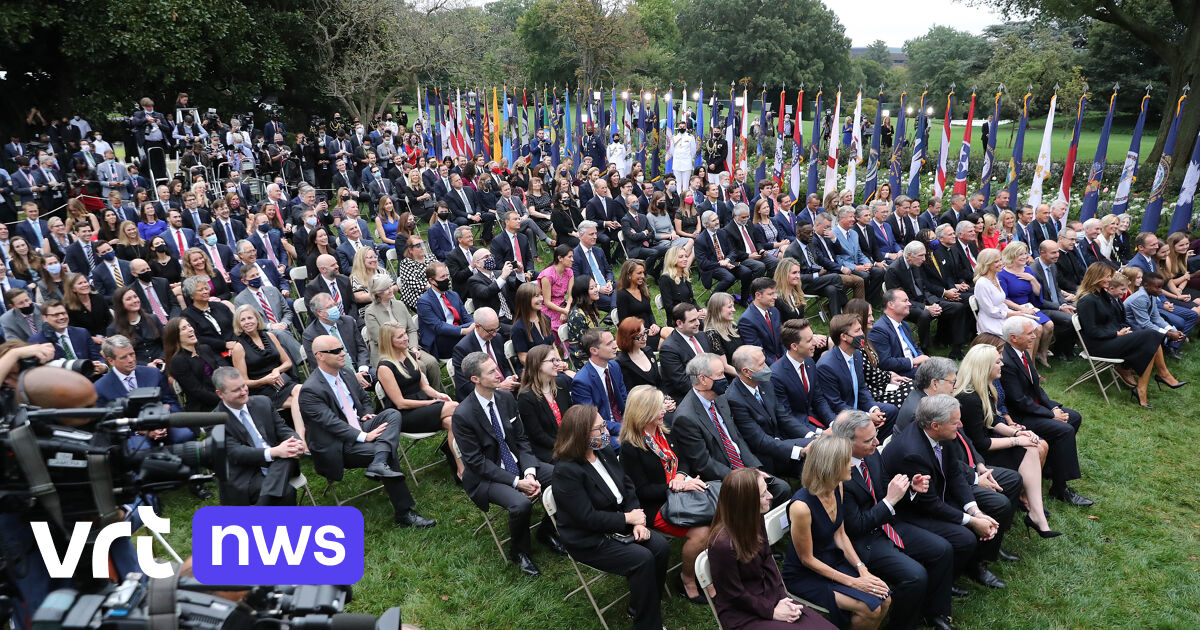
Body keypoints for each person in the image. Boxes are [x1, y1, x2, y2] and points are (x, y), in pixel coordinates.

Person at [831, 411, 958, 630]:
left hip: (886, 525)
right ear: (846, 443)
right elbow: (856, 526)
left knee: (942, 549)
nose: (877, 442)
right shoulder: (837, 472)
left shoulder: (870, 454)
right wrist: (889, 501)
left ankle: (934, 612)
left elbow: (883, 486)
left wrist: (909, 489)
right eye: (869, 440)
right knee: (915, 576)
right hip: (863, 542)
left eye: (876, 435)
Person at [552, 404, 670, 630]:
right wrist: (628, 519)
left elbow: (627, 486)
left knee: (660, 548)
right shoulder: (566, 471)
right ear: (581, 434)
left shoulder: (603, 451)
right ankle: (648, 624)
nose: (606, 432)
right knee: (641, 559)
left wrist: (637, 519)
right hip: (590, 538)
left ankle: (643, 604)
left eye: (604, 425)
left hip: (620, 520)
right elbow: (587, 518)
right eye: (599, 428)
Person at [301, 334, 436, 528]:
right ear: (320, 356)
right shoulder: (310, 390)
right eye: (336, 351)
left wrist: (367, 414)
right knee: (387, 452)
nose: (343, 353)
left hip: (358, 424)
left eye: (342, 348)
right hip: (337, 444)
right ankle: (404, 513)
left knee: (391, 413)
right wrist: (365, 436)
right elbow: (331, 424)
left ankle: (379, 462)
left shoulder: (346, 373)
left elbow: (364, 399)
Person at [881, 395, 1006, 589]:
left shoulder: (942, 435)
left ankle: (971, 565)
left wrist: (976, 512)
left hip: (936, 497)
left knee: (993, 509)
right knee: (964, 537)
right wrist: (973, 521)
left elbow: (954, 473)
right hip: (910, 513)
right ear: (935, 425)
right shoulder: (913, 453)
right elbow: (929, 504)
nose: (961, 425)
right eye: (955, 422)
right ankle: (944, 584)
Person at [452, 351, 559, 576]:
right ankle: (520, 551)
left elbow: (521, 439)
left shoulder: (506, 398)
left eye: (496, 368)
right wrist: (516, 482)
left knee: (564, 476)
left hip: (519, 464)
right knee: (521, 504)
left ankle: (547, 531)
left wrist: (529, 473)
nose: (499, 374)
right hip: (487, 476)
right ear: (475, 380)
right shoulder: (462, 415)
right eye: (491, 372)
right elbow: (476, 462)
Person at [707, 467, 837, 630]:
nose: (771, 496)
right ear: (746, 503)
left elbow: (768, 560)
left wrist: (782, 598)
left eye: (766, 490)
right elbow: (733, 594)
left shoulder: (755, 518)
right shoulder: (722, 546)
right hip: (743, 615)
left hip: (770, 596)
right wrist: (771, 611)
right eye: (763, 495)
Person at [783, 436, 891, 630]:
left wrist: (861, 569)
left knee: (885, 599)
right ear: (830, 466)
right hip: (806, 574)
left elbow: (840, 535)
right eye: (846, 460)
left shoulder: (836, 486)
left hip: (832, 560)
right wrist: (854, 583)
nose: (851, 464)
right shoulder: (801, 507)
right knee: (870, 608)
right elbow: (806, 559)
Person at [616, 385, 709, 604]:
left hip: (678, 492)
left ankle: (708, 571)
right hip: (654, 504)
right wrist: (675, 486)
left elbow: (683, 460)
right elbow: (641, 490)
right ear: (643, 411)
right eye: (658, 408)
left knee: (719, 516)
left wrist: (682, 477)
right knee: (702, 532)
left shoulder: (663, 430)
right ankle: (687, 580)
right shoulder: (631, 447)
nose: (664, 411)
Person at [953, 344, 1058, 537]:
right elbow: (981, 443)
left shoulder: (984, 387)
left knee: (1031, 447)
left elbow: (992, 422)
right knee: (1027, 449)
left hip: (984, 446)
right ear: (984, 367)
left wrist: (1018, 434)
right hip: (973, 457)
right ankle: (1034, 512)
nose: (1002, 364)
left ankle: (1035, 512)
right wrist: (1017, 442)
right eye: (998, 361)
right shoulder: (969, 397)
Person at [998, 317, 1092, 506]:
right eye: (1029, 333)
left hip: (1032, 408)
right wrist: (1051, 415)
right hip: (1019, 416)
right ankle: (1060, 487)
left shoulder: (1022, 353)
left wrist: (1053, 407)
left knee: (1073, 417)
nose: (1034, 336)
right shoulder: (1007, 360)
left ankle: (1050, 466)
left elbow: (1036, 388)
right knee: (1064, 429)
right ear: (1014, 338)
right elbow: (1018, 400)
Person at [673, 352, 791, 504]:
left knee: (782, 489)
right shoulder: (686, 417)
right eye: (720, 374)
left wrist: (753, 469)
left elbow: (736, 438)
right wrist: (742, 478)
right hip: (722, 478)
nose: (725, 378)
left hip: (743, 469)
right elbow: (703, 463)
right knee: (756, 499)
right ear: (702, 379)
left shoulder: (720, 397)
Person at [1075, 263, 1183, 407]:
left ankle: (1143, 388)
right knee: (1151, 335)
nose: (1109, 279)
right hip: (1099, 345)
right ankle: (1161, 376)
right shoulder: (1087, 300)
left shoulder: (1102, 295)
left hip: (1112, 338)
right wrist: (1116, 333)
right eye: (1107, 276)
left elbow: (1114, 321)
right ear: (1097, 277)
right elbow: (1092, 331)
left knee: (1151, 339)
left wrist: (1123, 331)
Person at [212, 367, 304, 506]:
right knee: (286, 493)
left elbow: (282, 429)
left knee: (287, 455)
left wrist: (296, 441)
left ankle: (262, 506)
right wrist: (274, 452)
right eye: (236, 390)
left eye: (243, 386)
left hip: (279, 460)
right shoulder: (215, 420)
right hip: (247, 472)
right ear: (220, 394)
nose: (243, 392)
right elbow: (235, 453)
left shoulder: (263, 402)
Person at [815, 314, 899, 436]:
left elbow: (861, 388)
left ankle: (875, 445)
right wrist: (867, 416)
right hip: (842, 415)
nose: (862, 334)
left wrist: (873, 409)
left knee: (890, 412)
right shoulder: (826, 366)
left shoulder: (857, 355)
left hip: (857, 406)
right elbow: (836, 404)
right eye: (857, 331)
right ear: (844, 337)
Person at [93, 334, 186, 439]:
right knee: (140, 448)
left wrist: (165, 420)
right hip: (130, 436)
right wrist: (140, 431)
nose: (131, 360)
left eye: (132, 354)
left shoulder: (153, 373)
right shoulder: (100, 388)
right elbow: (106, 424)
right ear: (110, 361)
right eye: (124, 357)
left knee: (185, 435)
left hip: (164, 424)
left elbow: (172, 402)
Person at [232, 303, 302, 431]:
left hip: (281, 382)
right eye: (242, 320)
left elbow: (288, 363)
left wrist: (277, 370)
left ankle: (303, 439)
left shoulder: (270, 336)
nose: (247, 322)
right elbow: (243, 382)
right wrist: (265, 380)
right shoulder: (239, 348)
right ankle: (303, 438)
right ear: (238, 324)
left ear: (257, 319)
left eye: (250, 318)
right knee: (301, 402)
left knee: (302, 391)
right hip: (261, 389)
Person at [846, 299, 915, 409]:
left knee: (914, 386)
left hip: (881, 384)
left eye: (871, 315)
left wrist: (890, 376)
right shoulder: (856, 346)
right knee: (913, 389)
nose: (872, 319)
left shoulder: (865, 340)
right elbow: (871, 375)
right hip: (872, 394)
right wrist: (889, 376)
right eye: (868, 316)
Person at [165, 317, 235, 412]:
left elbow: (218, 373)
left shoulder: (205, 349)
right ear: (176, 336)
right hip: (204, 408)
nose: (190, 329)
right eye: (184, 328)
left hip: (222, 396)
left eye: (189, 325)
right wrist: (224, 398)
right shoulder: (178, 361)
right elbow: (197, 391)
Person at [516, 344, 572, 464]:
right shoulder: (526, 397)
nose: (557, 363)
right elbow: (538, 435)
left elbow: (572, 415)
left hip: (570, 441)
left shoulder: (560, 384)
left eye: (557, 360)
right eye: (552, 360)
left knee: (600, 448)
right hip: (550, 449)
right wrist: (566, 445)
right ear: (538, 364)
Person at [571, 328, 628, 439]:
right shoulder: (582, 381)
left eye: (613, 340)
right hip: (603, 433)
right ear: (594, 351)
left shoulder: (614, 366)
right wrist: (626, 428)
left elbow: (624, 399)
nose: (615, 345)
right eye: (609, 343)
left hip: (624, 423)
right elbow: (591, 420)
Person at [973, 247, 1041, 339]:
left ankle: (1028, 354)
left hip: (1004, 314)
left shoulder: (995, 278)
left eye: (1000, 260)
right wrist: (1014, 314)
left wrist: (1018, 312)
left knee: (1034, 326)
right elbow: (990, 311)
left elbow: (1002, 303)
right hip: (992, 321)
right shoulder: (982, 283)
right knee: (1027, 332)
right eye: (996, 261)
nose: (1001, 263)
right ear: (987, 264)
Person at [695, 210, 757, 304]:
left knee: (747, 272)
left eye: (717, 218)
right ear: (706, 224)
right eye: (713, 220)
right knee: (729, 278)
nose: (717, 222)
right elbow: (703, 263)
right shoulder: (700, 240)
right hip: (713, 266)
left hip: (728, 262)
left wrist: (727, 260)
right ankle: (711, 301)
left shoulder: (722, 233)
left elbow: (733, 251)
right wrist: (720, 263)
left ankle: (743, 301)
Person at [1126, 271, 1192, 359]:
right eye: (1157, 287)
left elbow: (1156, 317)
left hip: (1140, 324)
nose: (1160, 290)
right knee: (1157, 334)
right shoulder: (1140, 298)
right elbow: (1144, 324)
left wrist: (1171, 330)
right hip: (1129, 327)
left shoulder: (1151, 294)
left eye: (1161, 287)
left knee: (1165, 326)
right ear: (1146, 285)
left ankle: (1165, 348)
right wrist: (1168, 334)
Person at [416, 262, 475, 360]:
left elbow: (465, 316)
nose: (446, 279)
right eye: (442, 277)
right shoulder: (424, 302)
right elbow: (438, 327)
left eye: (447, 275)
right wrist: (464, 330)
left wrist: (474, 325)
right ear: (432, 280)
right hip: (440, 340)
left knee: (483, 335)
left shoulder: (453, 295)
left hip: (459, 333)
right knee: (473, 342)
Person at [616, 258, 669, 350]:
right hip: (637, 335)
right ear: (629, 275)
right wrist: (644, 331)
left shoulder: (642, 290)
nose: (643, 276)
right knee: (670, 345)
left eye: (643, 273)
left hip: (650, 329)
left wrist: (654, 325)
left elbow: (649, 312)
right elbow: (623, 323)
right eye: (639, 273)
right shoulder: (622, 295)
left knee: (674, 334)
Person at [107, 286, 164, 367]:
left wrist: (162, 358)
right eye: (128, 299)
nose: (135, 301)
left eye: (135, 297)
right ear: (121, 304)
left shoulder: (153, 318)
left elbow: (167, 343)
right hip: (136, 368)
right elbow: (119, 357)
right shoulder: (113, 329)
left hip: (162, 364)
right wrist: (146, 365)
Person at [738, 277, 784, 364]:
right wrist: (779, 366)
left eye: (775, 293)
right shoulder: (747, 320)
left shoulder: (774, 311)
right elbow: (757, 352)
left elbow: (782, 338)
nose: (775, 297)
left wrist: (787, 359)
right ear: (758, 295)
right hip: (766, 365)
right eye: (771, 294)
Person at [571, 221, 615, 312]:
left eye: (596, 233)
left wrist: (609, 281)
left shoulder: (599, 251)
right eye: (591, 234)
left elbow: (608, 270)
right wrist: (598, 288)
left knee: (630, 287)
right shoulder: (575, 255)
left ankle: (613, 310)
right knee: (623, 301)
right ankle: (614, 309)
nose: (595, 236)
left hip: (608, 286)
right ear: (581, 235)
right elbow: (578, 281)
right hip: (591, 292)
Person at [615, 316, 664, 390]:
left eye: (645, 333)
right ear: (628, 339)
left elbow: (659, 382)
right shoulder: (622, 363)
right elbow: (631, 392)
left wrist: (665, 397)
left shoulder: (648, 351)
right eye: (639, 336)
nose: (644, 338)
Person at [564, 275, 602, 367]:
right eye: (592, 288)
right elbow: (584, 345)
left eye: (595, 286)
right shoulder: (577, 315)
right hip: (584, 358)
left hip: (595, 349)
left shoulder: (589, 308)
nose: (596, 290)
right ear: (583, 292)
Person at [62, 272, 111, 342]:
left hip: (107, 336)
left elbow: (109, 319)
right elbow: (75, 331)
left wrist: (108, 335)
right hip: (86, 340)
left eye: (85, 282)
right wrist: (93, 339)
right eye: (80, 283)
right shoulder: (69, 307)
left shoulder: (98, 298)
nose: (85, 285)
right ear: (73, 289)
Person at [537, 244, 574, 332]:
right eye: (570, 257)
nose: (572, 260)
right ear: (560, 258)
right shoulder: (547, 275)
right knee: (558, 329)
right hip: (549, 308)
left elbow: (571, 296)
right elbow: (547, 302)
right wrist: (563, 311)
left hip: (563, 305)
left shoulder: (569, 272)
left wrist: (567, 309)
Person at [659, 244, 702, 318]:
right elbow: (669, 307)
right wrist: (693, 315)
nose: (685, 259)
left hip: (690, 315)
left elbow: (691, 300)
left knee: (712, 318)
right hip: (678, 319)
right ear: (672, 259)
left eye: (686, 256)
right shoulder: (665, 279)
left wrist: (700, 310)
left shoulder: (685, 275)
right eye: (681, 257)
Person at [704, 292, 744, 363]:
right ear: (717, 309)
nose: (734, 310)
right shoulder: (712, 334)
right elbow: (725, 366)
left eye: (733, 306)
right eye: (730, 307)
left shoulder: (732, 326)